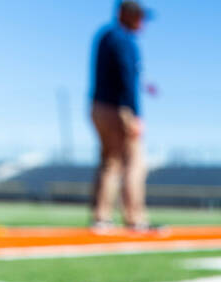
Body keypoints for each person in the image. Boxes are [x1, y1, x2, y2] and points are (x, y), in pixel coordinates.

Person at [89, 1, 154, 233]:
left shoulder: (106, 36)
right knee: (135, 162)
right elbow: (127, 77)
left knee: (110, 163)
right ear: (125, 15)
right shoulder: (124, 39)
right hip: (119, 109)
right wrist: (135, 114)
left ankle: (101, 218)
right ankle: (135, 218)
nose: (142, 22)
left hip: (98, 105)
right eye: (139, 17)